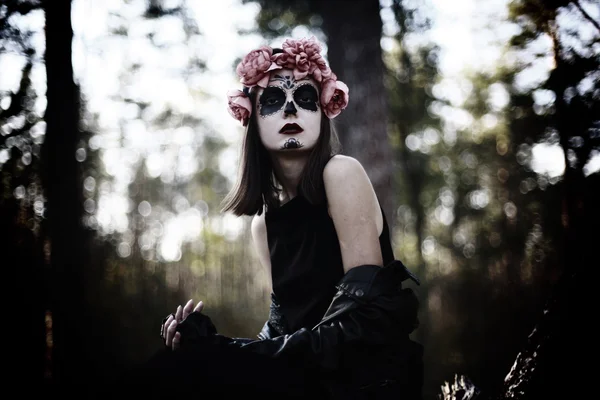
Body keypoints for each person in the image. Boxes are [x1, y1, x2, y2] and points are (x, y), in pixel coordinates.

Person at [121, 36, 423, 400]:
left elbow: (366, 324)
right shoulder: (263, 226)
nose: (292, 109)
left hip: (367, 385)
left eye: (307, 98)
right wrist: (205, 345)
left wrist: (226, 354)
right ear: (252, 119)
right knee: (167, 372)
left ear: (324, 112)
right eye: (274, 100)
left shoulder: (341, 174)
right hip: (311, 384)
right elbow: (282, 336)